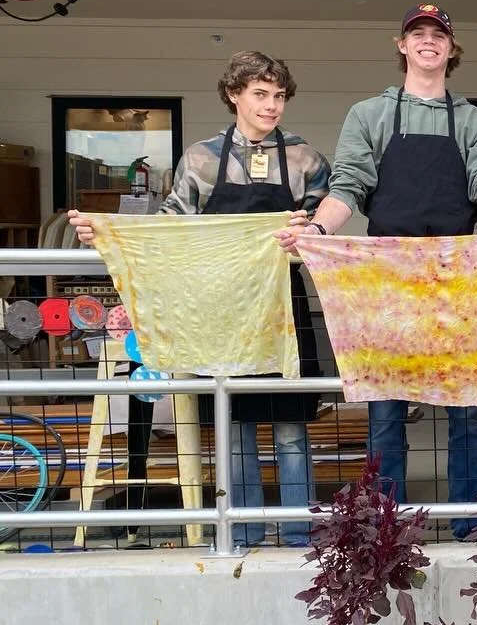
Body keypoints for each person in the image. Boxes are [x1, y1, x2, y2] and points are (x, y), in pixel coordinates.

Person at [280, 4, 477, 542]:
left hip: (457, 280)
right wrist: (318, 232)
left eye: (439, 35)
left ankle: (469, 517)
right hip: (386, 280)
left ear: (451, 50)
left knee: (466, 403)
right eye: (419, 34)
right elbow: (347, 187)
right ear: (402, 45)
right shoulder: (369, 115)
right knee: (385, 405)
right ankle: (384, 520)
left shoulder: (474, 120)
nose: (429, 42)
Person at [70, 51, 330, 547]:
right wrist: (105, 232)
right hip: (222, 313)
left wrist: (308, 230)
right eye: (260, 94)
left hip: (283, 311)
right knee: (235, 431)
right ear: (234, 95)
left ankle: (301, 537)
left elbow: (324, 225)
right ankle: (245, 533)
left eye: (278, 96)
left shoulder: (305, 159)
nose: (271, 106)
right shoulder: (202, 158)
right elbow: (170, 229)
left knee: (292, 431)